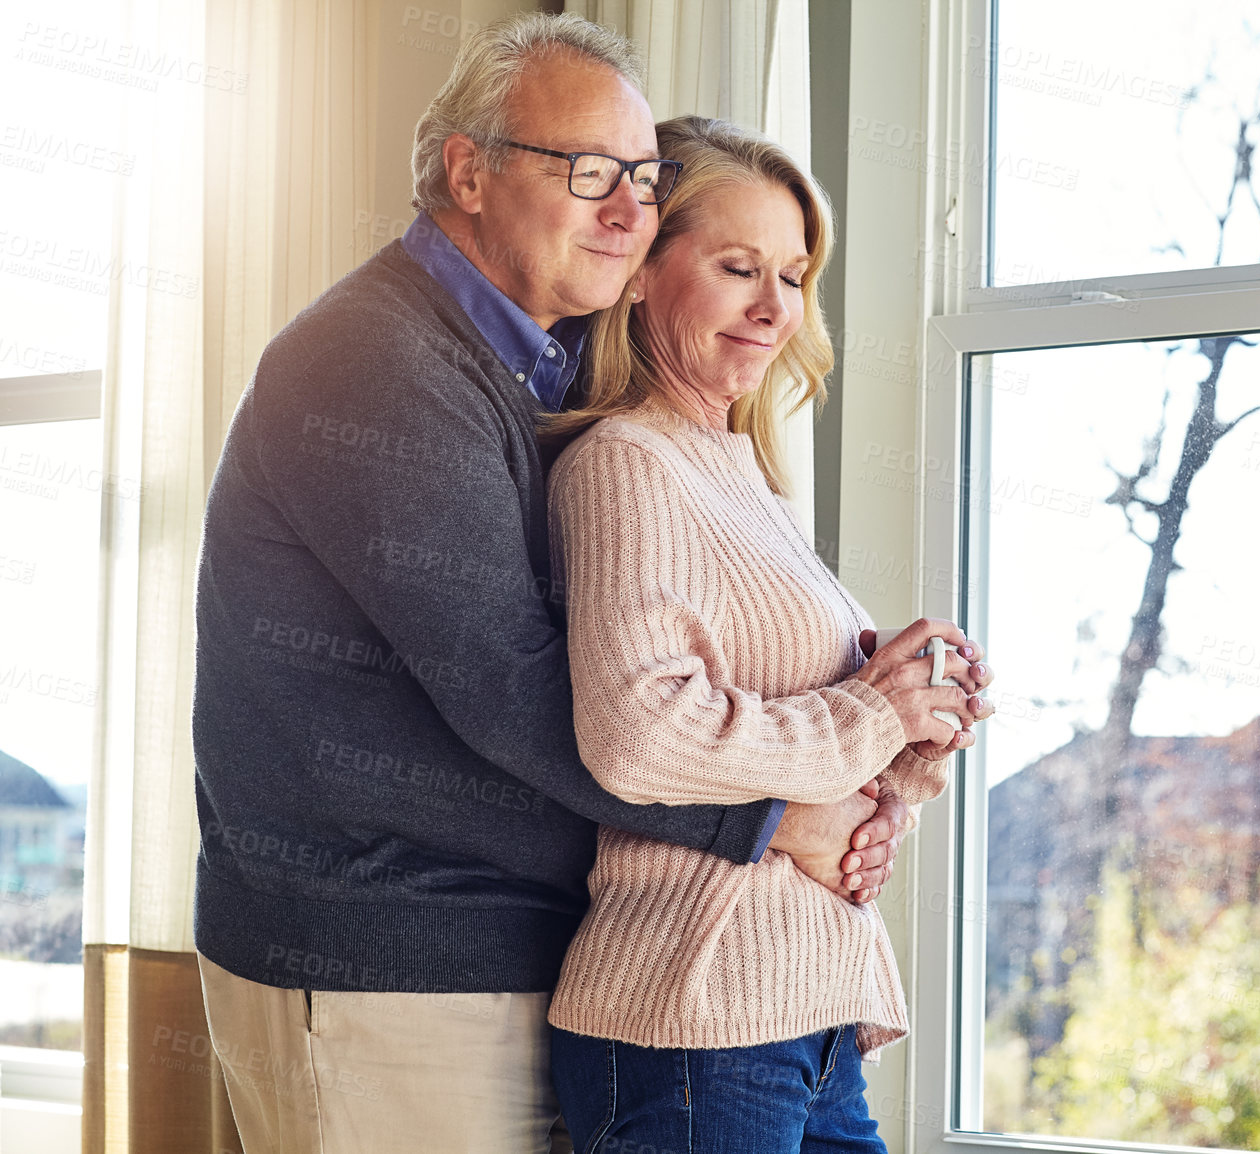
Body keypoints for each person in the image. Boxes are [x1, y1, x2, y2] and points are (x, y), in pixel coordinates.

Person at [190, 16, 910, 1153]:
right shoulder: (380, 362)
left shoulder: (556, 374)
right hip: (388, 957)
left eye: (640, 177)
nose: (626, 209)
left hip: (522, 950)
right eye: (587, 173)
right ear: (467, 171)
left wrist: (863, 765)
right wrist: (776, 816)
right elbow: (522, 691)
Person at [540, 116, 996, 1153]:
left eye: (792, 274)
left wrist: (901, 755)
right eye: (739, 267)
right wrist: (870, 710)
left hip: (805, 1017)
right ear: (644, 270)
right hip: (696, 1019)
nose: (774, 306)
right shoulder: (623, 462)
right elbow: (641, 731)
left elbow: (801, 753)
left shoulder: (743, 472)